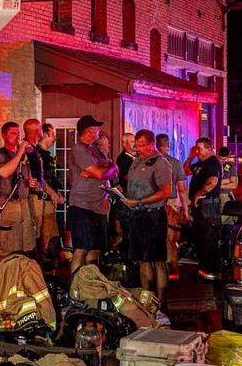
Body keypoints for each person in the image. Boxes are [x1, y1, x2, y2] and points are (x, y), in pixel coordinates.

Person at [120, 130, 173, 303]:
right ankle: (146, 300)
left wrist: (141, 201)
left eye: (142, 145)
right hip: (137, 216)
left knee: (157, 259)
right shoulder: (136, 162)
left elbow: (165, 192)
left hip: (154, 216)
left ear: (151, 144)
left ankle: (161, 302)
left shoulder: (160, 163)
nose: (139, 149)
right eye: (137, 145)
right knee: (142, 259)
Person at [67, 115, 118, 272]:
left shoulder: (95, 149)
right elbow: (98, 173)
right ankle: (74, 288)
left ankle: (91, 286)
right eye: (96, 128)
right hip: (83, 206)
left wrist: (105, 169)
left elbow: (114, 169)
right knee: (81, 250)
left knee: (95, 250)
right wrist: (101, 171)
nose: (99, 131)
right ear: (89, 131)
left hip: (99, 207)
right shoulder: (79, 149)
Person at [0, 121, 38, 259]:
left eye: (18, 133)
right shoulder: (0, 154)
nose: (17, 136)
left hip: (23, 205)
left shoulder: (23, 157)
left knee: (23, 248)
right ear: (4, 135)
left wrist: (30, 182)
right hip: (8, 205)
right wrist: (21, 151)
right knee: (4, 249)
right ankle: (1, 279)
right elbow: (4, 172)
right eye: (13, 133)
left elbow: (25, 177)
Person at [23, 120, 65, 259]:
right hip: (35, 198)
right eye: (40, 128)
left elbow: (43, 177)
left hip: (42, 197)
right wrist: (52, 193)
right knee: (38, 234)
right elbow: (36, 177)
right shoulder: (27, 149)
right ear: (37, 131)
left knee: (48, 233)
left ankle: (46, 265)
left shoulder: (35, 150)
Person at [186, 137, 222, 281]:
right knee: (200, 238)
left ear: (208, 148)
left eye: (199, 149)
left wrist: (198, 194)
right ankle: (202, 270)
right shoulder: (200, 163)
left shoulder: (213, 162)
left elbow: (212, 182)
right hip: (201, 206)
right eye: (196, 149)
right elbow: (186, 170)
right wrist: (190, 157)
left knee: (209, 238)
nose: (197, 151)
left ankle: (211, 271)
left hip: (209, 204)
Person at [157, 134, 190, 280]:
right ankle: (172, 267)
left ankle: (158, 265)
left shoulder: (150, 162)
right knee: (171, 238)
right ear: (168, 146)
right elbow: (182, 190)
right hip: (170, 203)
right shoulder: (176, 163)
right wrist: (186, 211)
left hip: (152, 203)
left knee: (157, 236)